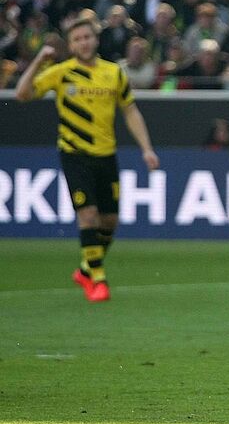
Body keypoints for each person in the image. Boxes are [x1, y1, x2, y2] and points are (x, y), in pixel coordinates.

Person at [14, 17, 159, 302]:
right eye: (77, 39)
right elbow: (22, 94)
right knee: (88, 215)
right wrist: (39, 60)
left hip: (106, 155)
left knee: (110, 221)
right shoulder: (61, 73)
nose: (83, 43)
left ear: (96, 40)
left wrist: (147, 148)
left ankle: (85, 269)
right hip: (75, 154)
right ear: (70, 45)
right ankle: (98, 280)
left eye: (87, 37)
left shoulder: (114, 73)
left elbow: (130, 111)